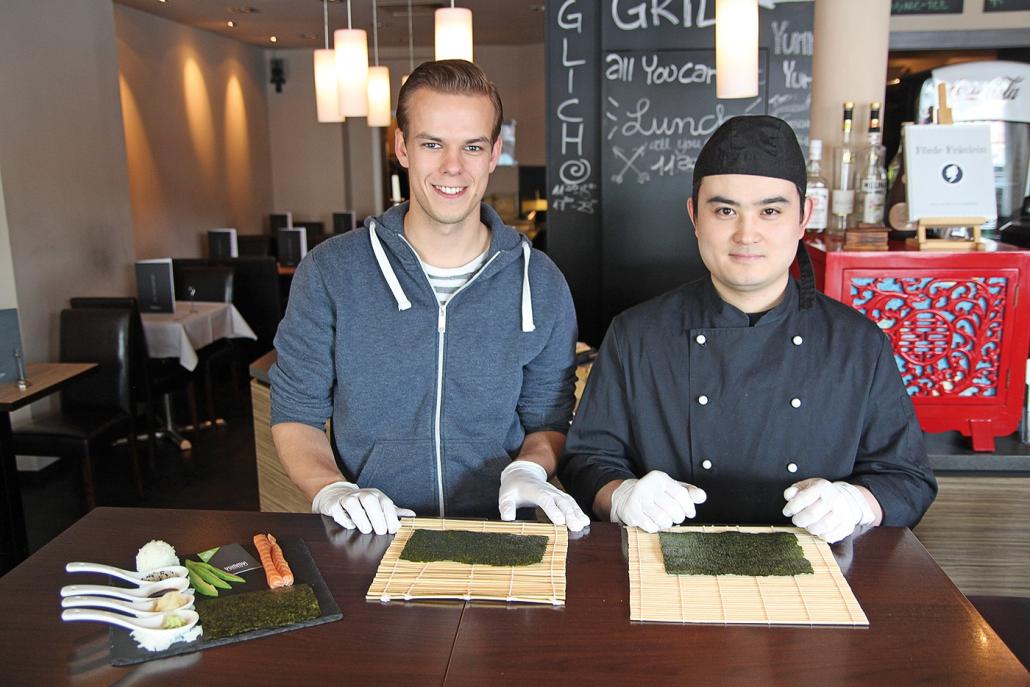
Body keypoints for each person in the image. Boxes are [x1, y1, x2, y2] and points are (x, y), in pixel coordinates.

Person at [559, 115, 937, 542]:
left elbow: (908, 479)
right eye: (724, 210)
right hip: (664, 576)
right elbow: (587, 461)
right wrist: (622, 494)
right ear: (694, 217)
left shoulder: (857, 344)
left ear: (803, 217)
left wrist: (858, 504)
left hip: (817, 588)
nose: (746, 234)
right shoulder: (636, 335)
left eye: (770, 211)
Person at [270, 60, 588, 535]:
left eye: (473, 146)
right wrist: (332, 489)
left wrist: (530, 468)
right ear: (402, 147)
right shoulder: (330, 272)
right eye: (432, 143)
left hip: (500, 531)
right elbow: (296, 411)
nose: (452, 167)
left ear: (494, 152)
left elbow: (548, 415)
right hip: (370, 534)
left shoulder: (540, 282)